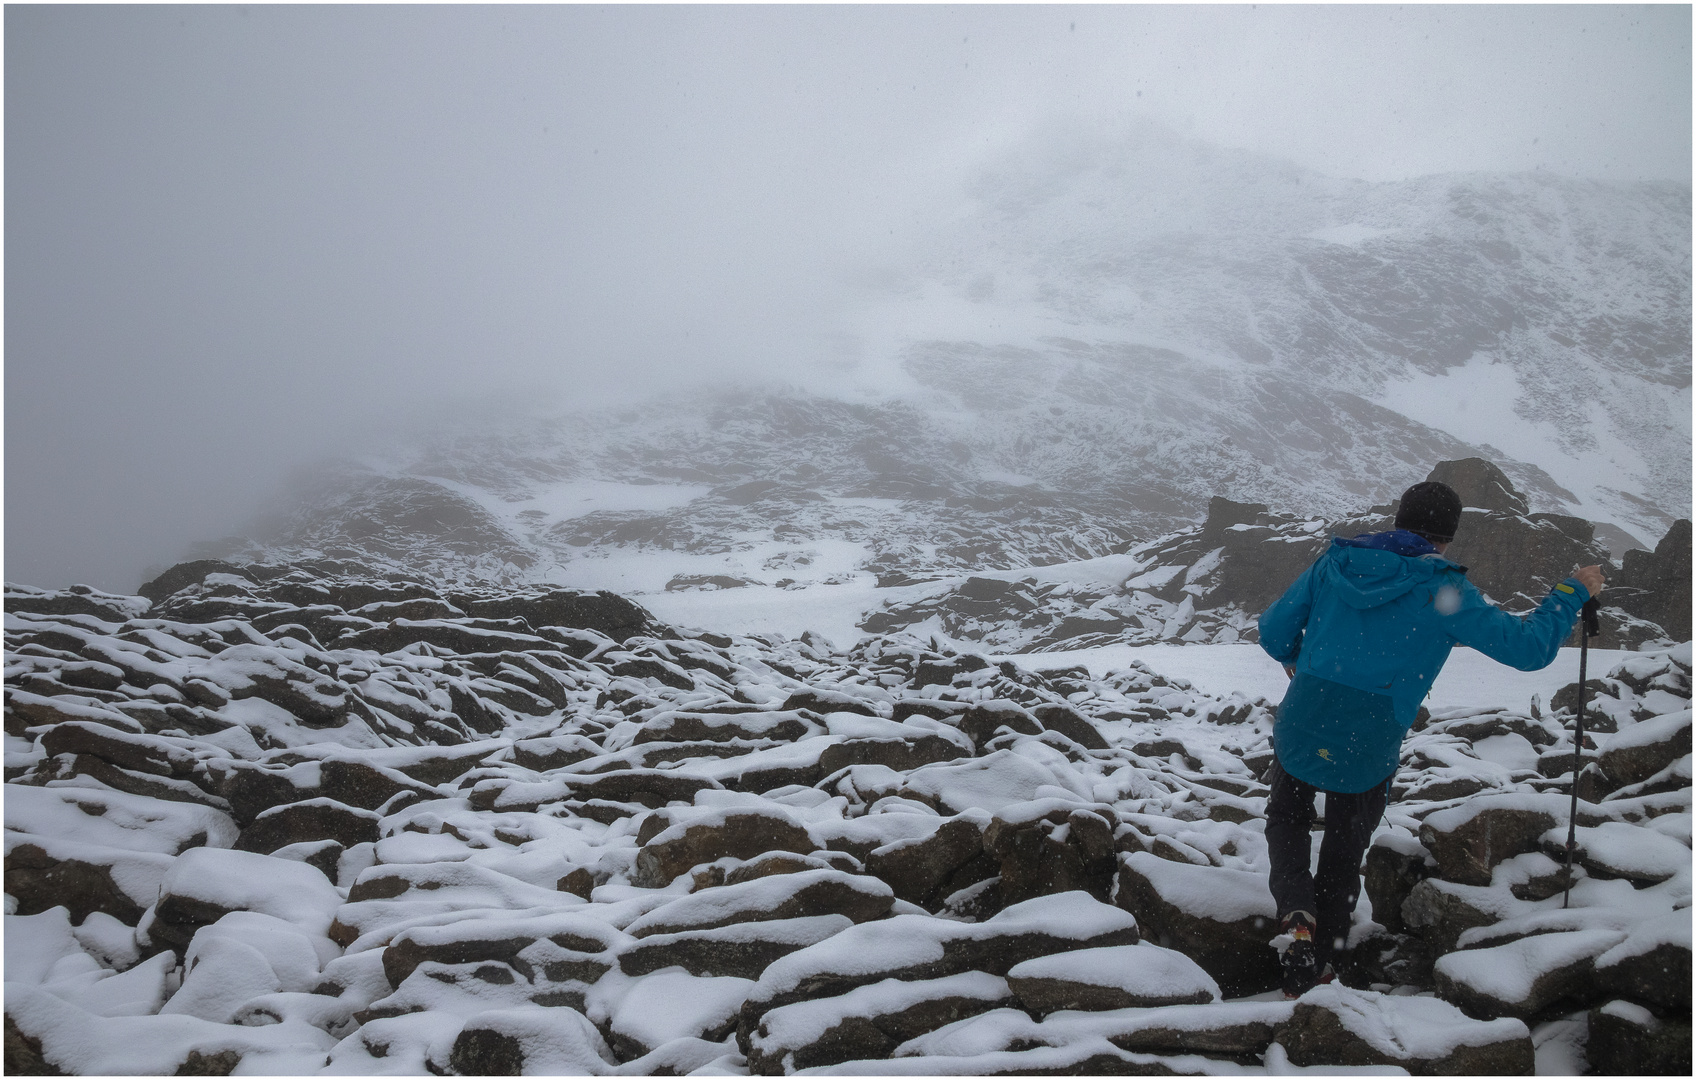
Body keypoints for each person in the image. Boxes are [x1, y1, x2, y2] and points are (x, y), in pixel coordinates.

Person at [1256, 480, 1604, 997]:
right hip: (1368, 736)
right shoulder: (1444, 591)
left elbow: (1273, 630)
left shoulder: (1336, 564)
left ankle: (1295, 915)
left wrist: (1296, 660)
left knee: (1287, 817)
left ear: (1399, 518)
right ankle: (1316, 967)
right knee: (1344, 847)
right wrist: (1573, 592)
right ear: (1447, 535)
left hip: (1307, 714)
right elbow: (1527, 648)